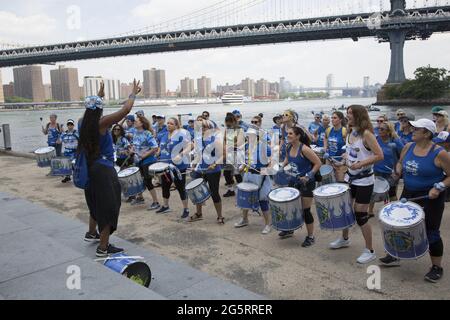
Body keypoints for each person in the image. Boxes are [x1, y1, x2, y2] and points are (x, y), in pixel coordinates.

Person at [381, 119, 450, 283]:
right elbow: (400, 162)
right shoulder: (408, 147)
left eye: (416, 128)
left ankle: (436, 267)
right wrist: (398, 170)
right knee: (400, 224)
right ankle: (396, 255)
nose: (411, 130)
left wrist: (439, 186)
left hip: (430, 197)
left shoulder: (439, 153)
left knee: (431, 231)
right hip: (408, 193)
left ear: (426, 133)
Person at [80, 79, 141, 257]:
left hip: (89, 168)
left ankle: (92, 233)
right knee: (108, 207)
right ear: (99, 109)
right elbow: (126, 110)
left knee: (95, 203)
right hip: (103, 170)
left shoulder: (82, 122)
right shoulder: (102, 123)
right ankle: (103, 247)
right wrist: (133, 93)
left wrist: (98, 95)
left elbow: (92, 108)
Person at [330, 105, 384, 264]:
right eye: (347, 113)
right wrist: (344, 157)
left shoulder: (367, 134)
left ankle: (370, 250)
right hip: (350, 177)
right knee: (346, 208)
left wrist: (360, 164)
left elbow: (379, 155)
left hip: (364, 180)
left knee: (361, 215)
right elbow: (352, 151)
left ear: (359, 116)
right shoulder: (350, 132)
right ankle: (344, 239)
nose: (348, 116)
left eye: (350, 114)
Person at [277, 126, 322, 246]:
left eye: (291, 133)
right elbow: (287, 159)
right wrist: (281, 167)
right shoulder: (289, 146)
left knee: (306, 210)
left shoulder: (305, 149)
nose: (288, 135)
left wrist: (309, 175)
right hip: (293, 180)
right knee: (291, 207)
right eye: (287, 133)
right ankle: (290, 229)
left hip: (306, 183)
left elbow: (318, 163)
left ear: (298, 136)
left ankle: (311, 236)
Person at [234, 123, 273, 235]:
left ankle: (267, 224)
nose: (249, 138)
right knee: (246, 196)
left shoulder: (263, 146)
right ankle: (245, 219)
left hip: (260, 176)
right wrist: (242, 167)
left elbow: (272, 159)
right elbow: (247, 161)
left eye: (251, 136)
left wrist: (266, 170)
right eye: (248, 136)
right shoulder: (247, 146)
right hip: (249, 175)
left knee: (262, 200)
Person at [189, 119, 224, 223]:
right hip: (200, 170)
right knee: (197, 191)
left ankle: (220, 216)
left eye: (204, 127)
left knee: (214, 193)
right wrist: (194, 164)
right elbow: (197, 154)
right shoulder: (197, 139)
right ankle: (199, 213)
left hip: (213, 171)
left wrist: (214, 164)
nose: (201, 129)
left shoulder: (215, 139)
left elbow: (223, 155)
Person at [157, 117, 191, 218]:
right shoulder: (163, 135)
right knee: (165, 186)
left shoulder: (181, 135)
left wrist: (180, 155)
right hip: (165, 166)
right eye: (167, 123)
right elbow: (161, 146)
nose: (168, 125)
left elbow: (190, 145)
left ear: (176, 125)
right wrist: (157, 152)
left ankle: (186, 209)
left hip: (178, 167)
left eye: (171, 123)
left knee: (180, 188)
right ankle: (166, 206)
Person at [369, 121, 404, 217]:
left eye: (382, 129)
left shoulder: (395, 141)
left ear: (388, 131)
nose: (379, 130)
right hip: (377, 170)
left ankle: (395, 212)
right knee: (373, 191)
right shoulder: (376, 139)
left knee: (392, 194)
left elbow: (403, 155)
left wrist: (398, 170)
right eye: (379, 128)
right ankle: (370, 212)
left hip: (391, 172)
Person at [129, 115, 161, 209]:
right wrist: (132, 150)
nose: (135, 122)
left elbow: (155, 147)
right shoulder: (135, 132)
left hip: (148, 160)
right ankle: (140, 197)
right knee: (139, 180)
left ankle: (156, 202)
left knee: (147, 181)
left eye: (137, 121)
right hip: (138, 160)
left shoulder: (147, 133)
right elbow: (135, 145)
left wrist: (145, 155)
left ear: (142, 123)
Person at [223, 113, 244, 198]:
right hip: (229, 154)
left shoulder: (240, 130)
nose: (228, 123)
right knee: (227, 173)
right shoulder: (227, 129)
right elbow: (224, 139)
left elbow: (240, 143)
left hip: (237, 154)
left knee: (237, 173)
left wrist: (229, 145)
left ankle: (242, 190)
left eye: (230, 122)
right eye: (227, 122)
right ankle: (231, 190)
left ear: (234, 121)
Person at [323, 111, 347, 182]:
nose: (332, 119)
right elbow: (325, 138)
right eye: (332, 118)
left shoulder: (344, 131)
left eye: (335, 118)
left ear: (340, 120)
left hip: (340, 161)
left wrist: (344, 160)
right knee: (328, 181)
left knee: (340, 182)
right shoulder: (329, 130)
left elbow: (350, 146)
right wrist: (325, 148)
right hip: (329, 159)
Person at [60, 119, 79, 183]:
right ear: (67, 126)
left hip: (74, 151)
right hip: (66, 151)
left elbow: (81, 141)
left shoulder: (76, 133)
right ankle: (67, 177)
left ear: (73, 125)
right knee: (66, 164)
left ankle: (77, 177)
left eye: (71, 125)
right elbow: (59, 141)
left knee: (74, 165)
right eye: (68, 125)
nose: (70, 126)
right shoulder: (64, 133)